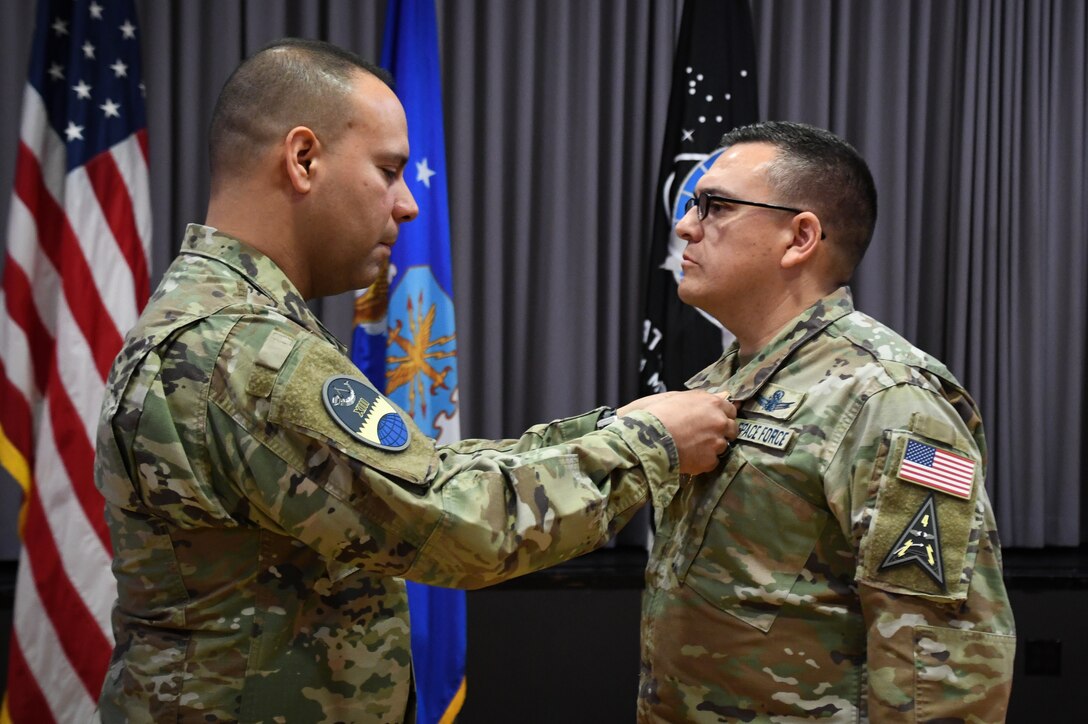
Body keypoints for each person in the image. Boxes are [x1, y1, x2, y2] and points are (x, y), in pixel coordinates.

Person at [94, 38, 738, 723]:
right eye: (388, 170)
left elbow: (417, 474)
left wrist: (615, 428)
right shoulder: (245, 353)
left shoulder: (226, 324)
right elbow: (455, 525)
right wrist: (648, 445)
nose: (408, 205)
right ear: (303, 158)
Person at [638, 121, 1015, 722]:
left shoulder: (888, 399)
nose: (685, 225)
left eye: (715, 206)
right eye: (691, 206)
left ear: (800, 237)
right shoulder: (724, 384)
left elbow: (940, 659)